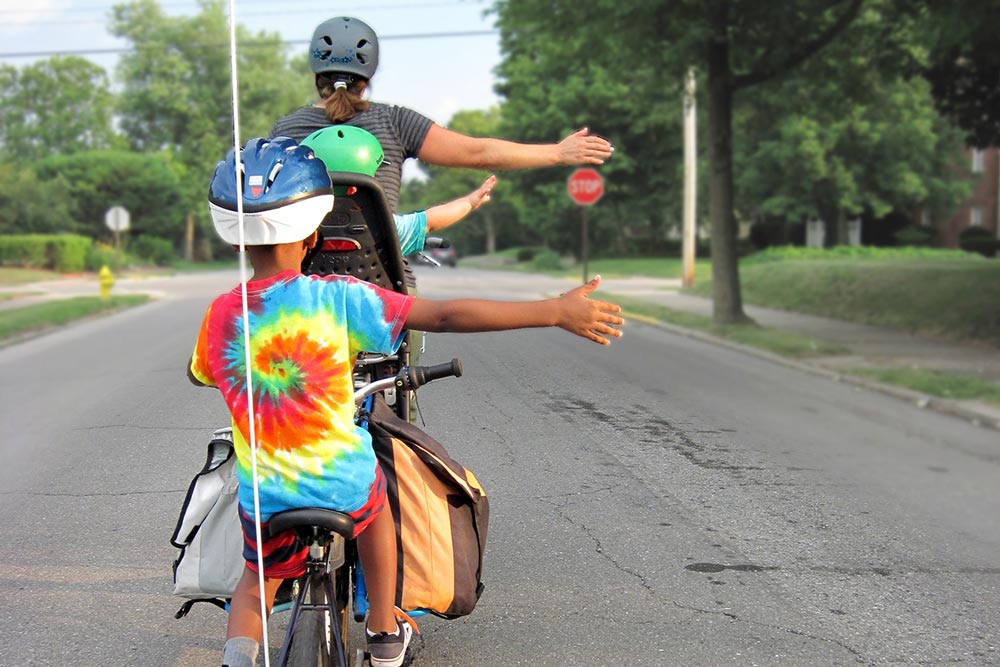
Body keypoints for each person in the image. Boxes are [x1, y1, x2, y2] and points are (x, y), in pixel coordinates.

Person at [189, 137, 624, 667]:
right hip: (341, 482)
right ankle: (383, 632)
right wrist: (553, 311)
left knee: (254, 584)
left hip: (267, 493)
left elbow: (204, 375)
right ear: (311, 234)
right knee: (376, 514)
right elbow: (444, 316)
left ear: (235, 240)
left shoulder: (218, 316)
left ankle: (237, 658)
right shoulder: (339, 298)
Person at [270, 15, 614, 212]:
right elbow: (480, 153)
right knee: (407, 319)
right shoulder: (394, 122)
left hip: (303, 282)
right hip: (379, 281)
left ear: (317, 75)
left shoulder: (284, 131)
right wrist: (557, 152)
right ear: (368, 77)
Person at [300, 124, 496, 255]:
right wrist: (469, 202)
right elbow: (432, 220)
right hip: (376, 315)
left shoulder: (295, 226)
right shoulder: (384, 226)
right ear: (357, 186)